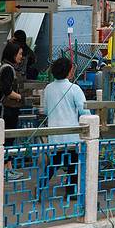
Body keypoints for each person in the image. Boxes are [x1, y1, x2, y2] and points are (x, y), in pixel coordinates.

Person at [43, 57, 90, 198]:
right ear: (69, 71)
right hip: (71, 136)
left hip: (54, 135)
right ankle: (71, 191)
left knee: (54, 163)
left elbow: (46, 110)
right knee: (73, 164)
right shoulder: (74, 89)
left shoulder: (48, 88)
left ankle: (40, 187)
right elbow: (85, 111)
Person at [0, 41, 24, 181]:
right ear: (13, 54)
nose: (21, 56)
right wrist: (20, 97)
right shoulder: (8, 69)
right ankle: (4, 169)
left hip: (10, 108)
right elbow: (7, 90)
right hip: (8, 108)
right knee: (7, 138)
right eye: (19, 54)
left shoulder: (6, 67)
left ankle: (8, 168)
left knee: (9, 139)